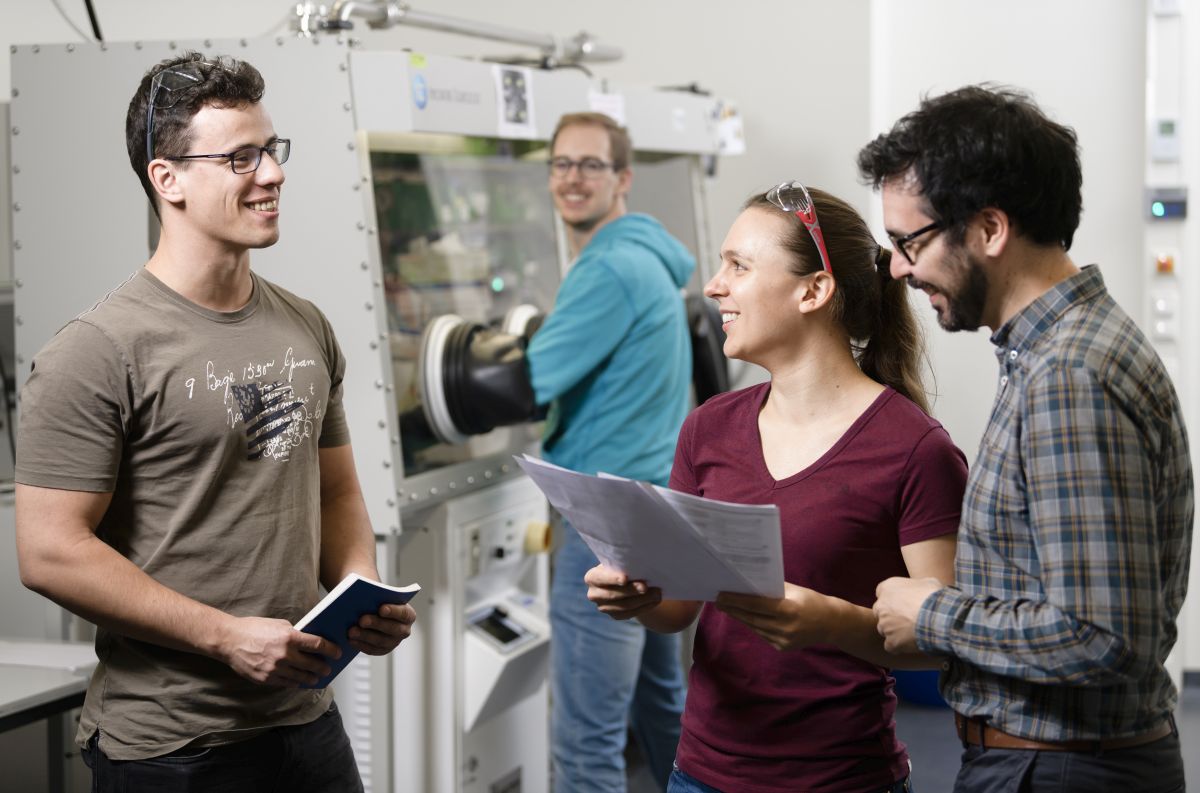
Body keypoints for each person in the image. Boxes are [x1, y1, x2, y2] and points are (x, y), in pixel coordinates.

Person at [14, 52, 416, 792]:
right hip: (171, 745)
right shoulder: (97, 351)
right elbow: (49, 551)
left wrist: (360, 588)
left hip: (304, 721)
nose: (271, 173)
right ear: (167, 179)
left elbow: (333, 493)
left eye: (271, 150)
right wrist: (225, 636)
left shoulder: (306, 326)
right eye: (240, 157)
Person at [585, 183, 969, 793]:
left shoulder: (916, 450)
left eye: (738, 266)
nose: (714, 286)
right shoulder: (708, 428)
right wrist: (639, 597)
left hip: (842, 779)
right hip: (701, 775)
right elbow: (679, 610)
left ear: (813, 290)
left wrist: (831, 624)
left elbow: (944, 644)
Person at [863, 85, 1193, 793]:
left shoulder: (1069, 374)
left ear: (988, 230)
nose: (897, 268)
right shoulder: (1054, 354)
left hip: (1061, 769)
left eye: (909, 242)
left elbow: (1103, 639)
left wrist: (933, 614)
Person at [525, 111, 694, 793]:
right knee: (663, 709)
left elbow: (527, 381)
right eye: (561, 163)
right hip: (653, 506)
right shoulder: (648, 255)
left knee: (586, 739)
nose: (572, 178)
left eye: (590, 165)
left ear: (622, 178)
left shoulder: (610, 269)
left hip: (605, 521)